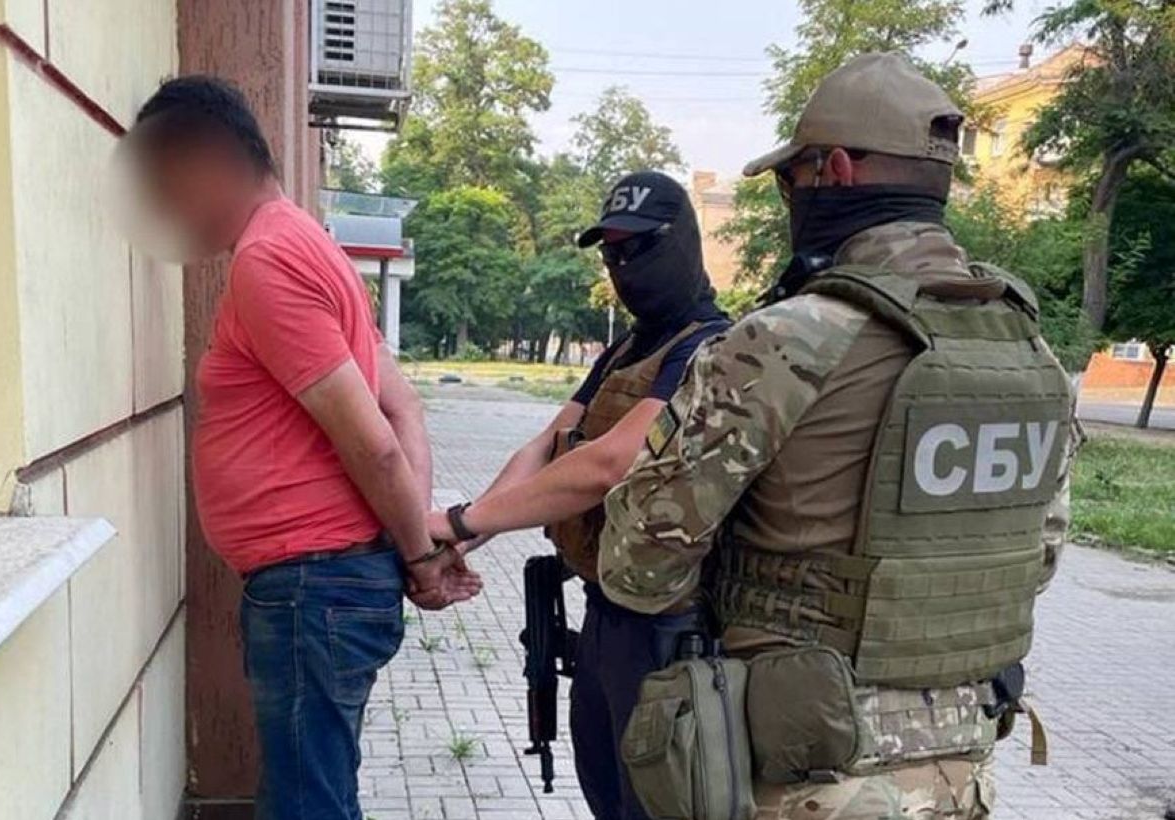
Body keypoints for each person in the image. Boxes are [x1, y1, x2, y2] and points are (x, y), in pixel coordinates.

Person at [599, 53, 1076, 820]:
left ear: (838, 169)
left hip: (804, 774)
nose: (793, 197)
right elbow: (1042, 556)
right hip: (961, 771)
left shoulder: (787, 340)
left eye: (792, 179)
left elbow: (639, 563)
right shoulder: (1030, 351)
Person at [121, 76, 480, 820]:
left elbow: (376, 443)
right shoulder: (309, 242)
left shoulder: (268, 261)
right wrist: (411, 543)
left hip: (313, 588)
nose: (165, 212)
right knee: (319, 793)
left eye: (168, 187)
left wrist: (419, 556)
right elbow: (402, 407)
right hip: (328, 586)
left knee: (306, 805)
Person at [428, 171, 731, 820]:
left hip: (670, 625)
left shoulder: (710, 346)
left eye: (638, 248)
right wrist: (464, 537)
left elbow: (611, 461)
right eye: (611, 253)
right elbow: (549, 444)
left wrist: (460, 520)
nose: (622, 266)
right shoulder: (628, 348)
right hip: (606, 612)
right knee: (605, 791)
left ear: (681, 243)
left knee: (654, 803)